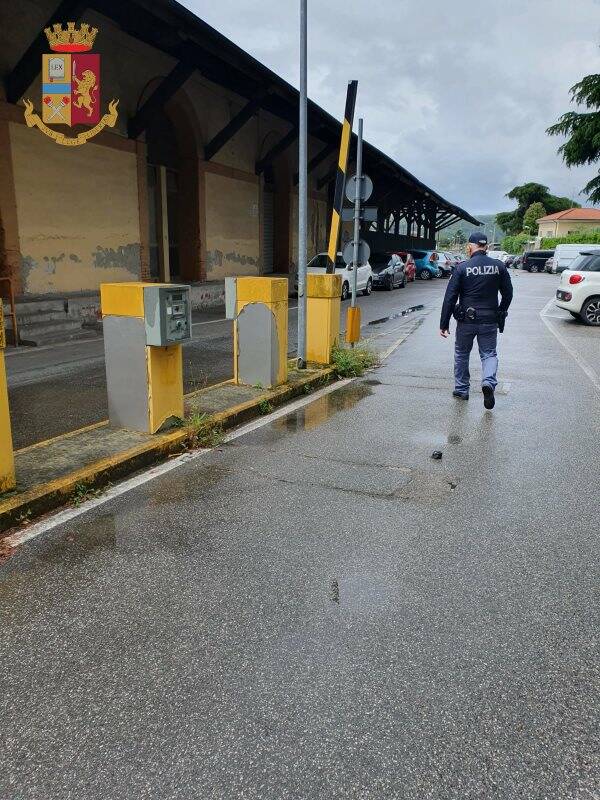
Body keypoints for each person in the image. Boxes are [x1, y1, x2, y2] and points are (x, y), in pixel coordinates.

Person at [439, 233, 513, 409]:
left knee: (462, 353)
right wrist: (501, 311)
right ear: (486, 246)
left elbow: (450, 297)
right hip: (489, 319)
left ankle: (462, 389)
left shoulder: (462, 267)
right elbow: (508, 293)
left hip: (466, 320)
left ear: (470, 247)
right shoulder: (499, 266)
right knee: (489, 354)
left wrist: (444, 323)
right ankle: (488, 382)